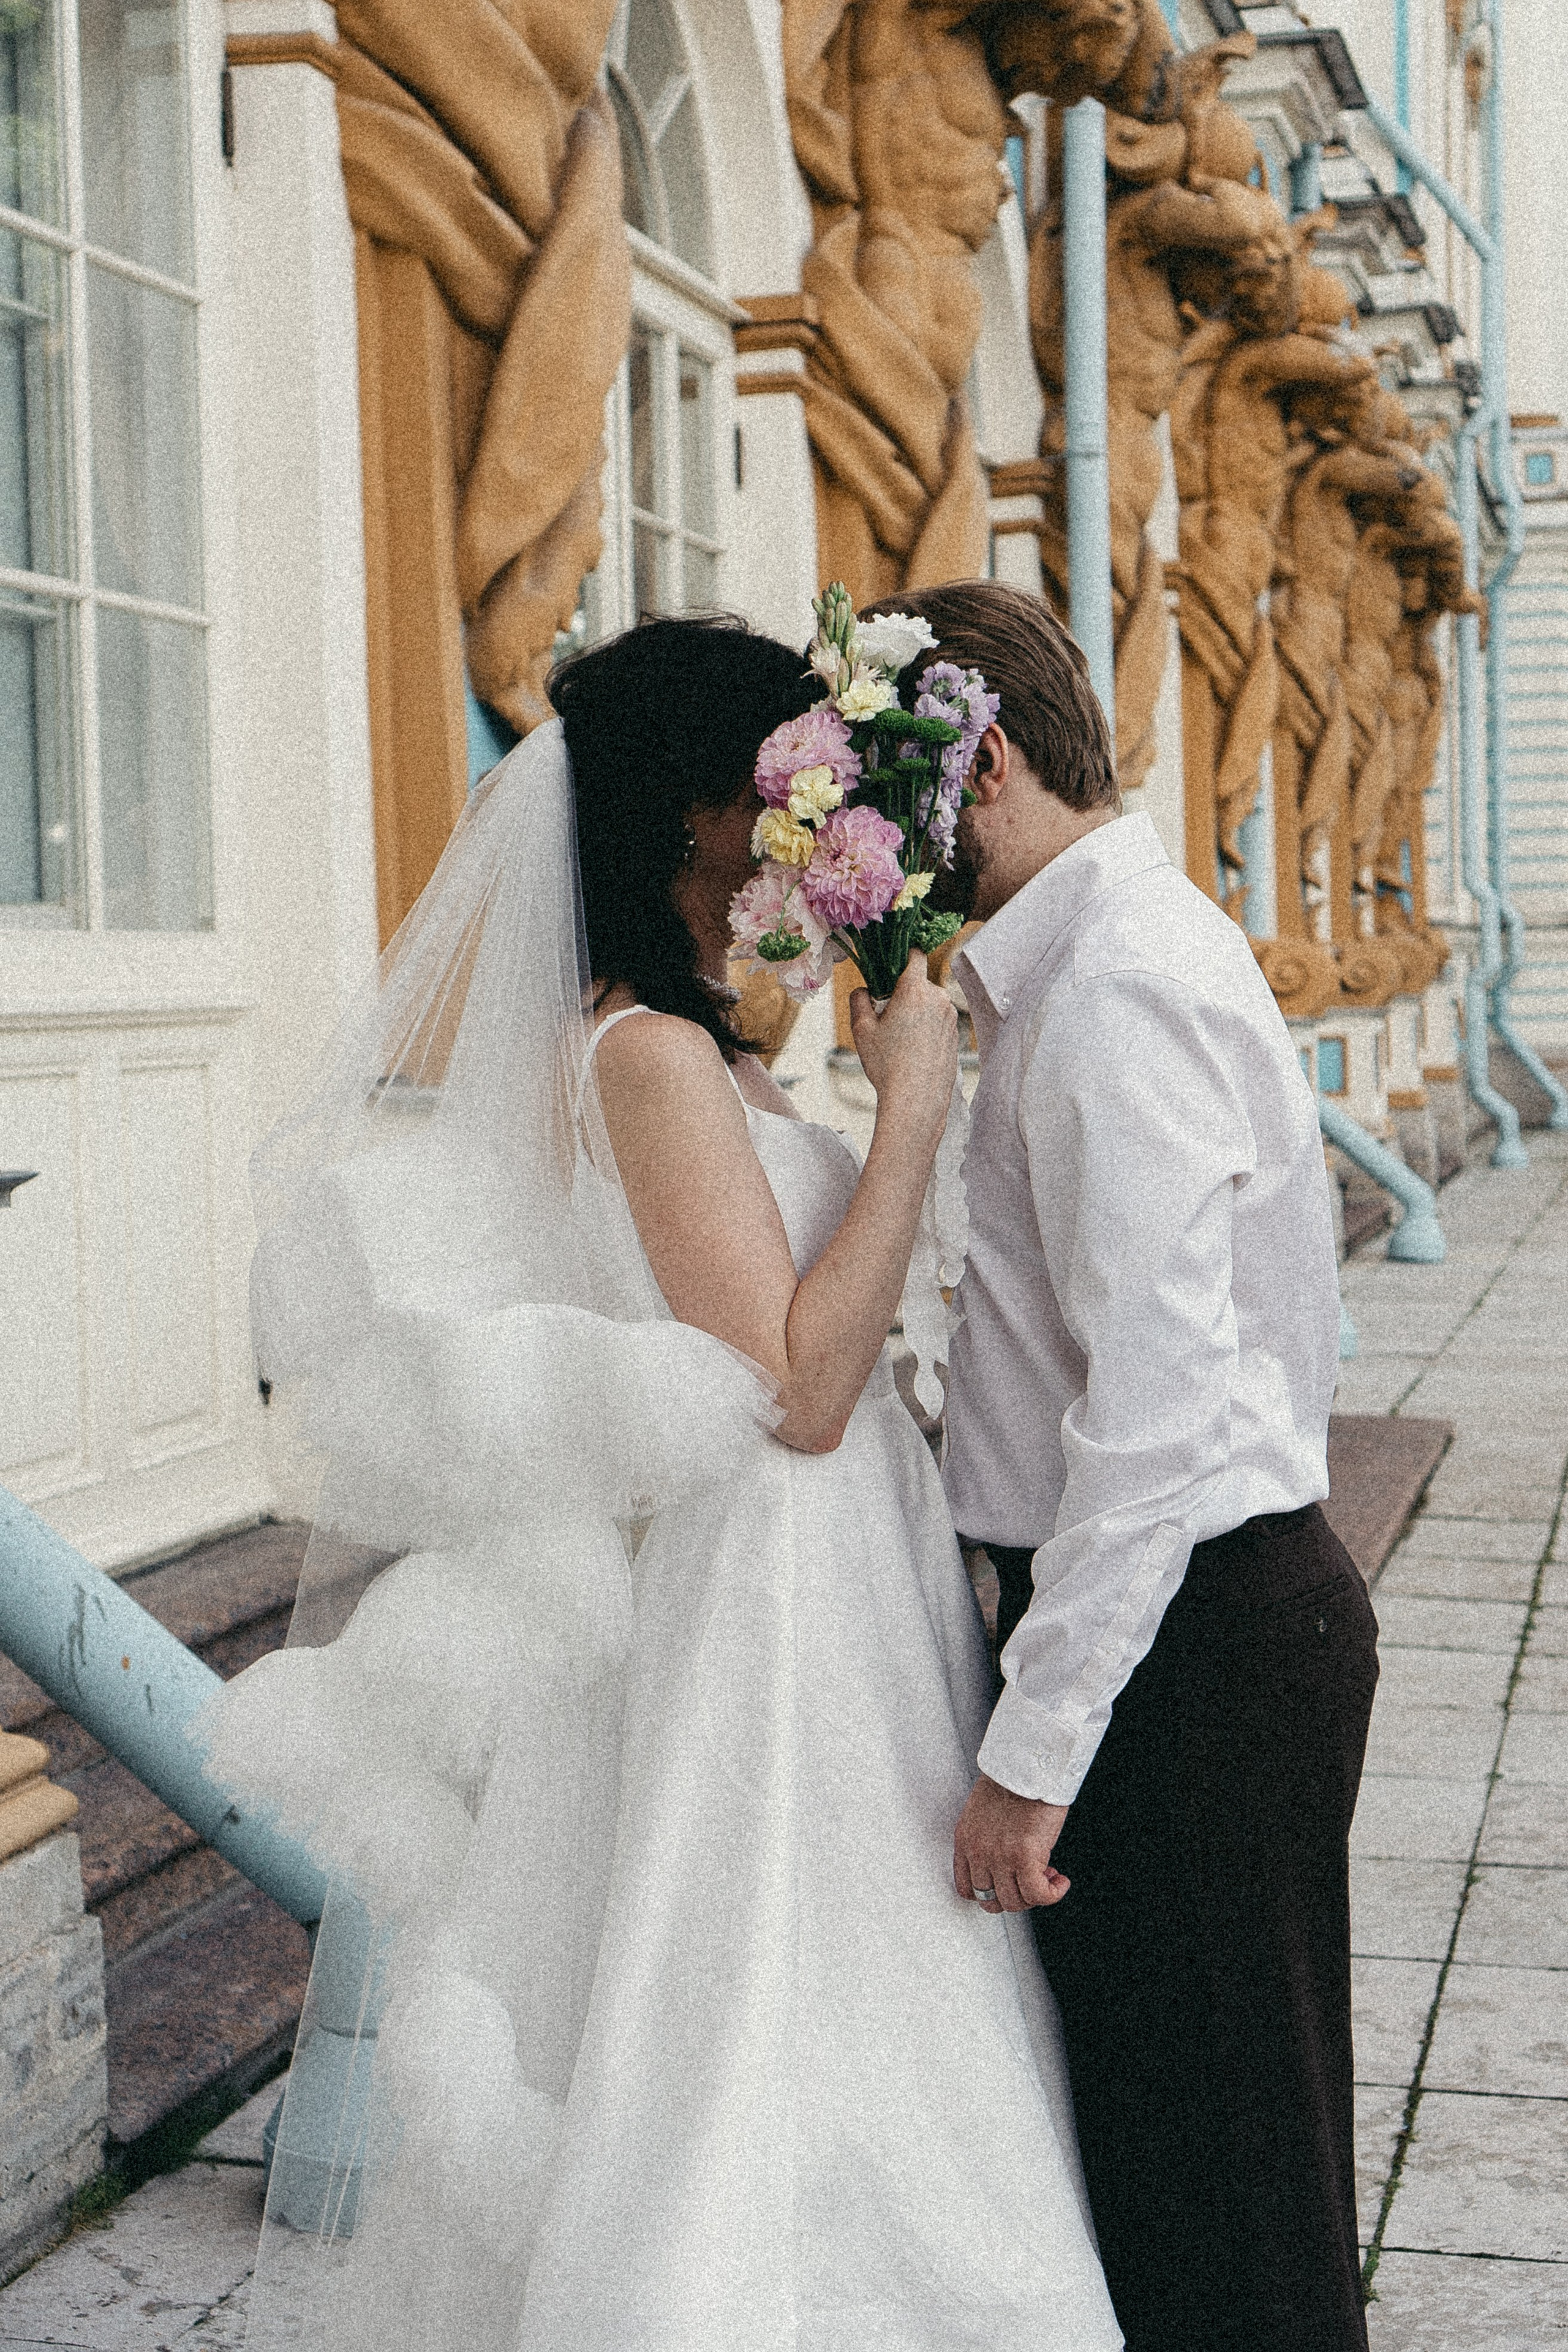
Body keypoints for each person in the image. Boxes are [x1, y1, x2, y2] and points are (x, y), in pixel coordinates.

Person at [200, 616, 1121, 2352]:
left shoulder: (717, 1045)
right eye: (783, 771)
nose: (809, 801)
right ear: (698, 810)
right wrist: (912, 1107)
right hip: (769, 1587)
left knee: (854, 1994)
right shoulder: (644, 1053)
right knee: (761, 1992)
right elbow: (789, 1390)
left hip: (837, 1582)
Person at [875, 578, 1380, 2352]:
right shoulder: (1096, 964)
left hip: (1192, 1652)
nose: (876, 860)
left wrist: (1034, 1751)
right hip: (1199, 1631)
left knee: (1230, 2215)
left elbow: (1158, 1421)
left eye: (884, 807)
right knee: (1193, 2193)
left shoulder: (1113, 991)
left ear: (983, 760)